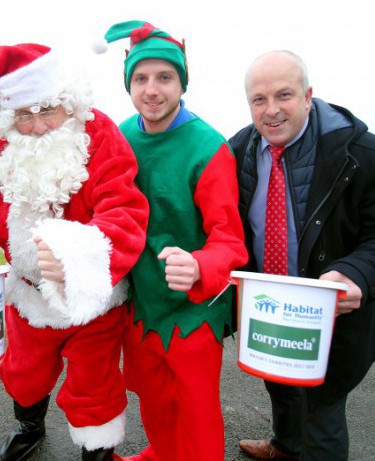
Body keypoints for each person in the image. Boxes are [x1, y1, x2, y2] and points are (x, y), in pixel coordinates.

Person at [229, 50, 375, 460]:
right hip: (267, 313)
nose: (272, 110)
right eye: (259, 100)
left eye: (284, 95)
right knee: (277, 384)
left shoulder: (366, 154)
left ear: (308, 95)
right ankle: (283, 445)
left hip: (332, 319)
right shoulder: (236, 151)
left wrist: (357, 273)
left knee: (322, 411)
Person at [0, 43, 149, 461]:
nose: (35, 127)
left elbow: (123, 207)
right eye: (23, 114)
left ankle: (98, 451)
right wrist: (20, 259)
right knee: (23, 373)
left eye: (46, 110)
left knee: (95, 382)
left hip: (92, 296)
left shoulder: (98, 131)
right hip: (29, 292)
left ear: (68, 102)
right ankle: (28, 427)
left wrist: (77, 257)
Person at [94, 21, 248, 461]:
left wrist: (201, 264)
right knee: (154, 397)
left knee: (197, 411)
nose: (152, 89)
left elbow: (230, 240)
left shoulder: (209, 147)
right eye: (140, 78)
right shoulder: (119, 137)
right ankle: (162, 451)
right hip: (140, 302)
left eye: (165, 77)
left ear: (182, 82)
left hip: (193, 310)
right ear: (128, 84)